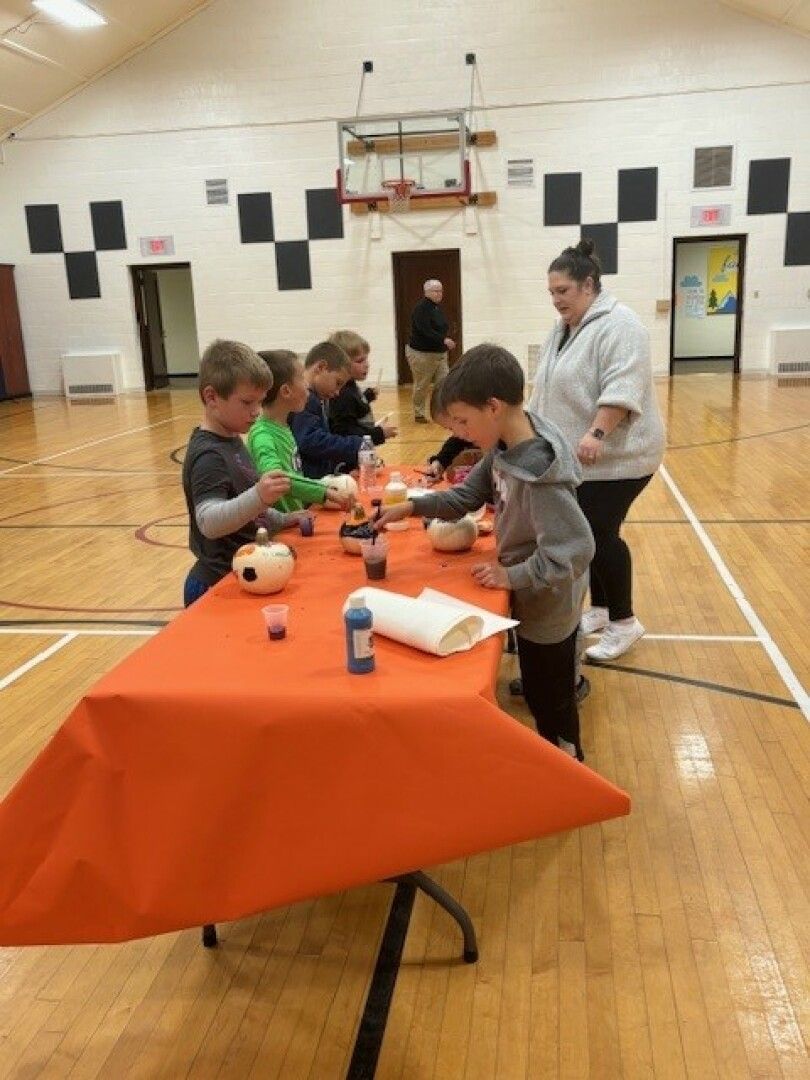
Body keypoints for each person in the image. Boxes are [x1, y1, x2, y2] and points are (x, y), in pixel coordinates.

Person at [376, 344, 595, 760]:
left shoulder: (539, 474)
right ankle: (543, 692)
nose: (458, 432)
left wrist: (510, 576)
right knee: (536, 677)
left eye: (462, 420)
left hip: (548, 601)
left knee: (551, 697)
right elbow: (466, 497)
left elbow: (574, 550)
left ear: (493, 407)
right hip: (528, 586)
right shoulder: (505, 441)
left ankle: (567, 759)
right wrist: (413, 505)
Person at [529, 238, 665, 662]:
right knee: (591, 533)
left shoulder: (621, 325)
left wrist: (597, 434)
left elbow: (623, 387)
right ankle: (603, 611)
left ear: (589, 285)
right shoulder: (565, 326)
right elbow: (545, 383)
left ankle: (625, 622)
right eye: (551, 292)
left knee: (596, 534)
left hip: (620, 457)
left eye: (562, 291)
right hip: (580, 459)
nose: (555, 300)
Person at [181, 339, 303, 607]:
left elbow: (247, 507)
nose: (256, 411)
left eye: (259, 402)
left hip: (242, 575)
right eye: (247, 402)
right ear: (211, 397)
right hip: (214, 584)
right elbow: (209, 522)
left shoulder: (233, 439)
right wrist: (259, 495)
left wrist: (282, 519)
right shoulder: (209, 455)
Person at [246, 349, 355, 513]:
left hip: (295, 520)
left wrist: (321, 493)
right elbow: (276, 479)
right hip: (279, 531)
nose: (306, 385)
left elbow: (293, 476)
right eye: (302, 378)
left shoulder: (284, 427)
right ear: (286, 391)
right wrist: (323, 491)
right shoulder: (262, 435)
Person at [290, 341, 363, 479]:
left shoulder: (316, 399)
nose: (337, 393)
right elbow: (310, 441)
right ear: (321, 367)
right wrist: (354, 445)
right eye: (338, 383)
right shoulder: (307, 399)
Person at [327, 330, 398, 445]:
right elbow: (346, 432)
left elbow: (356, 407)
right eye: (360, 361)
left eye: (366, 359)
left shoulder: (351, 387)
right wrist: (378, 433)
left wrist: (367, 396)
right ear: (341, 364)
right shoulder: (342, 394)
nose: (367, 364)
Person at [406, 279, 455, 423]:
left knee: (444, 383)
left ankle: (442, 411)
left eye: (440, 290)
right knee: (423, 384)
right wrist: (443, 340)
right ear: (426, 292)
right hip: (422, 354)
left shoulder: (436, 307)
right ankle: (419, 412)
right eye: (436, 291)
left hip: (439, 353)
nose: (439, 293)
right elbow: (425, 330)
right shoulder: (421, 308)